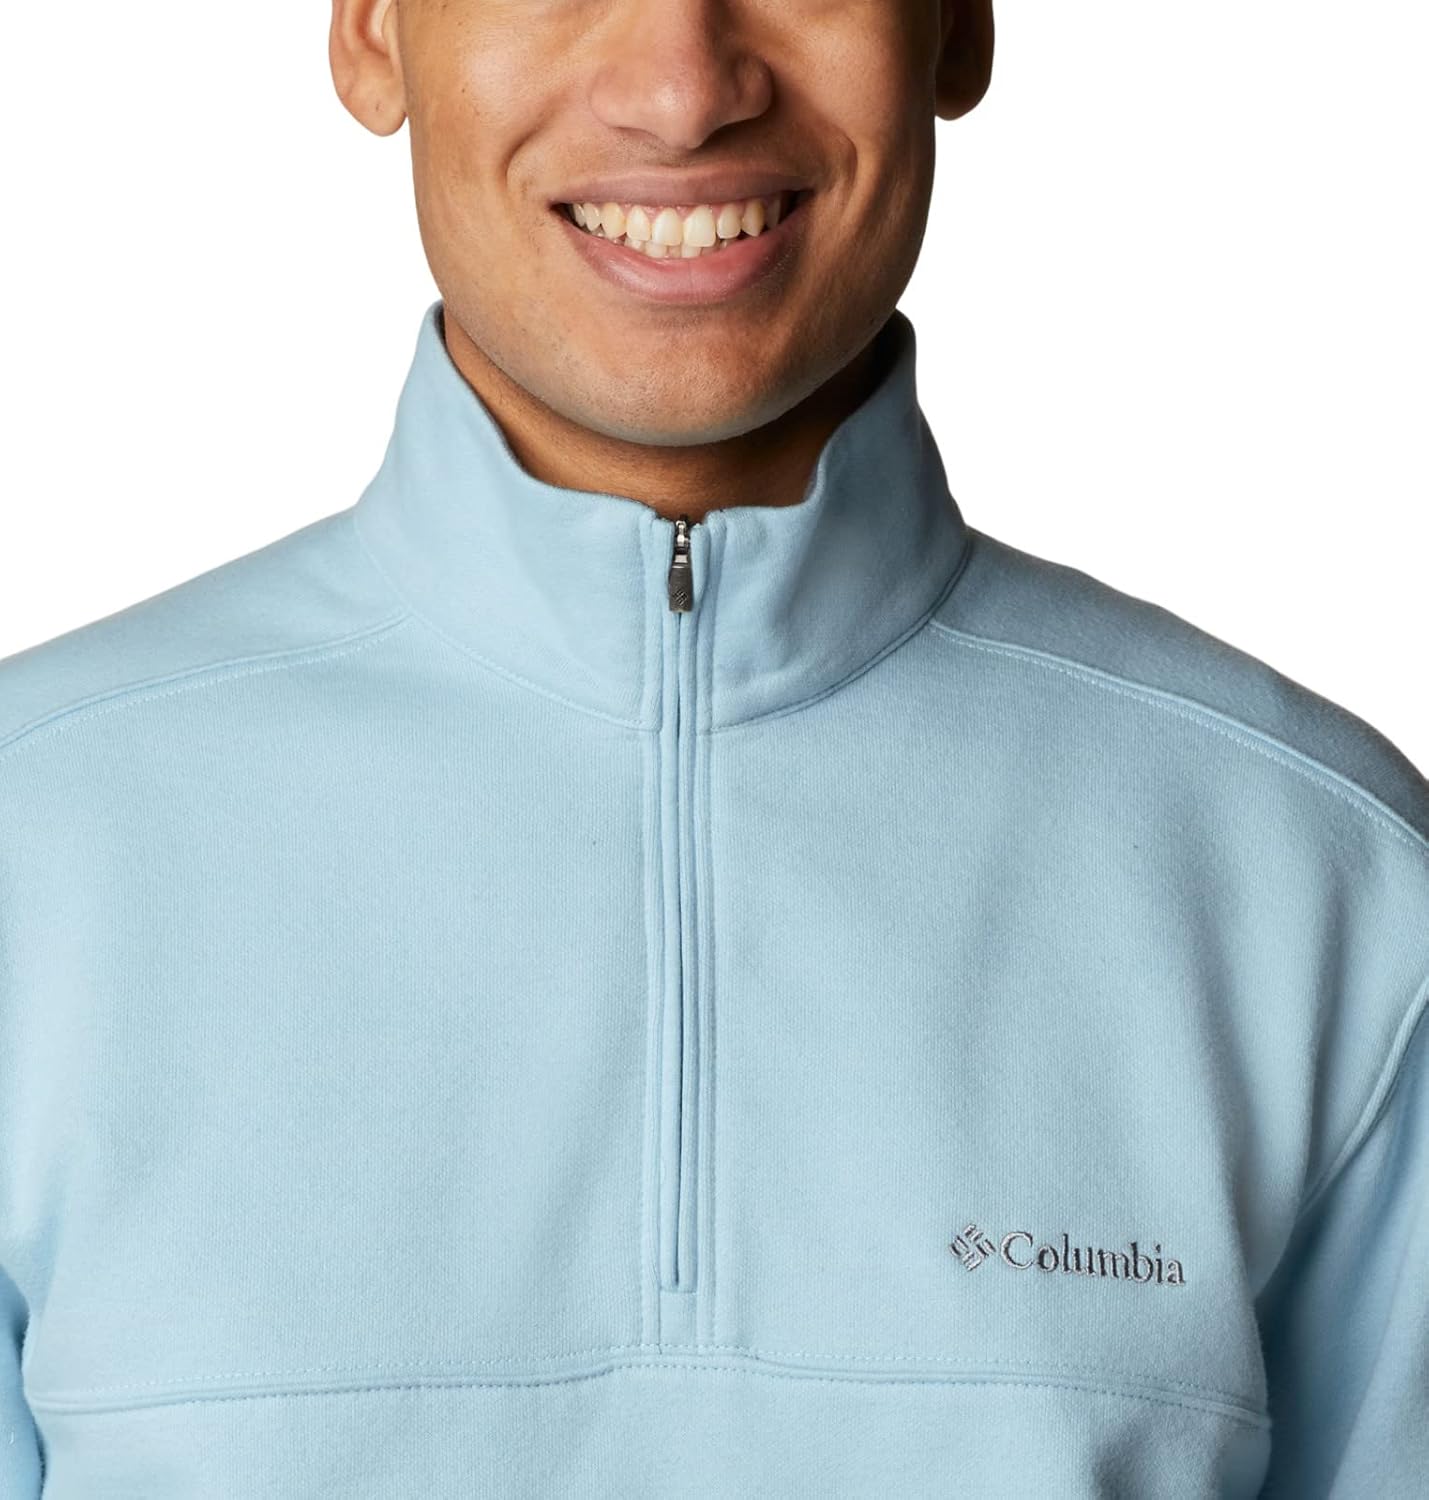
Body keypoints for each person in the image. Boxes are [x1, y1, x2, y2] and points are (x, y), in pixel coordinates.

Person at [1, 0, 1424, 1494]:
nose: (683, 91)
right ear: (371, 33)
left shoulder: (1327, 889)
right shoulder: (37, 849)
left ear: (955, 29)